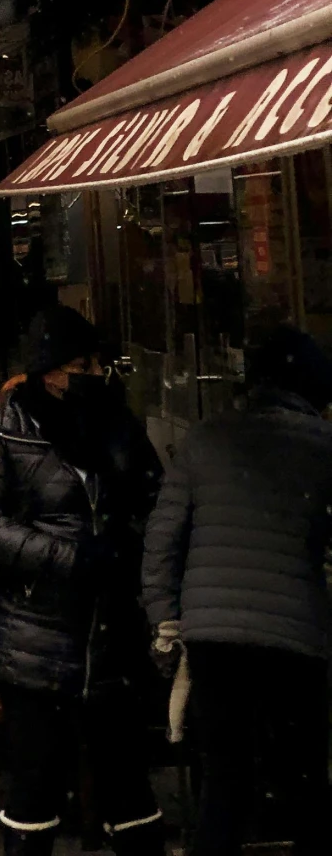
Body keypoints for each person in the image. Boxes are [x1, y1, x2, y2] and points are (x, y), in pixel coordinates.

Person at [0, 307, 165, 856]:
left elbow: (153, 498)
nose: (94, 373)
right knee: (34, 787)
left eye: (98, 362)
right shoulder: (4, 429)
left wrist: (128, 548)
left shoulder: (118, 425)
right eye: (81, 363)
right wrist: (66, 558)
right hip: (34, 639)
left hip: (113, 633)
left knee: (128, 787)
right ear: (47, 369)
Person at [142, 326, 332, 856]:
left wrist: (165, 620)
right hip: (294, 634)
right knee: (306, 785)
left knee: (224, 786)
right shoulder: (323, 446)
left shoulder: (206, 438)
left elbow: (162, 537)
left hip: (213, 637)